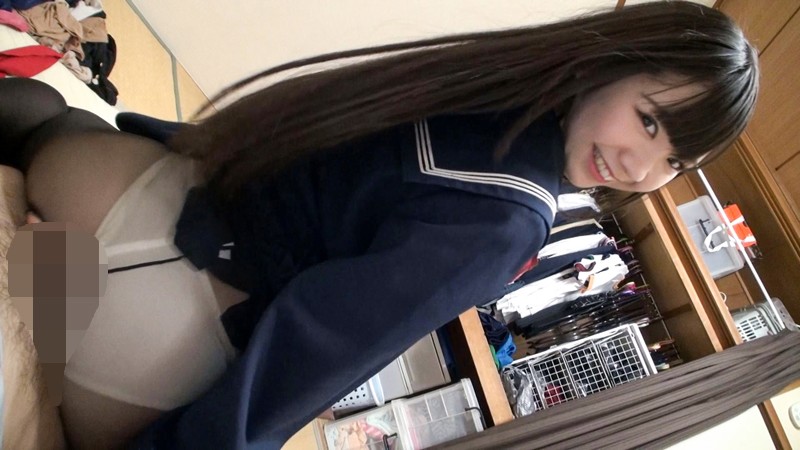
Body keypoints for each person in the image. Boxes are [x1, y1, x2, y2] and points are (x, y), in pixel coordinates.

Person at [0, 1, 758, 449]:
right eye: (649, 122)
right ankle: (43, 303)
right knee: (63, 415)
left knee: (50, 122)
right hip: (150, 315)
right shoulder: (512, 218)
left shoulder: (494, 77)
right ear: (615, 61)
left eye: (674, 161)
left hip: (119, 182)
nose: (639, 166)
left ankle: (42, 250)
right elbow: (310, 350)